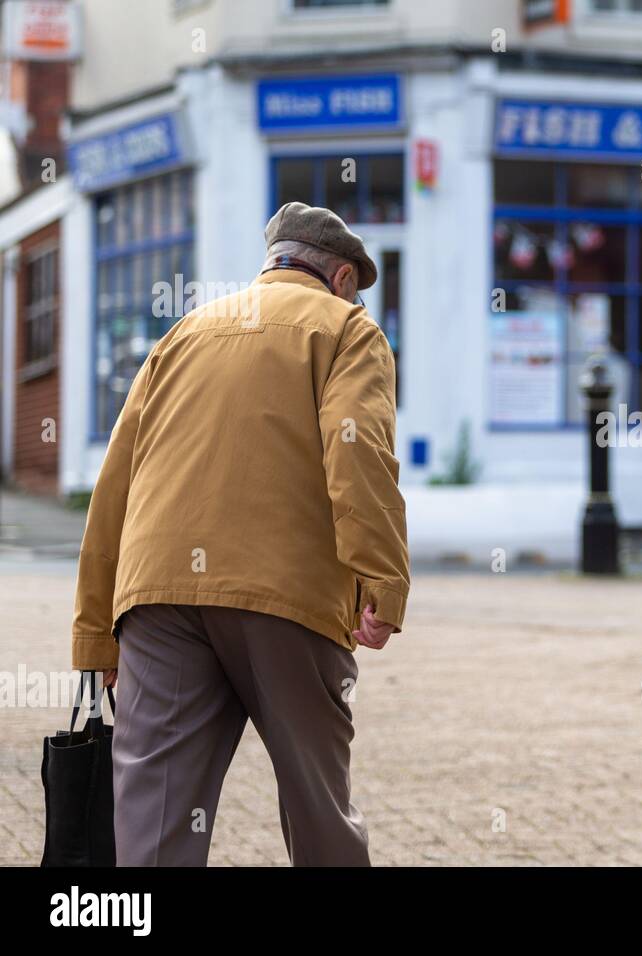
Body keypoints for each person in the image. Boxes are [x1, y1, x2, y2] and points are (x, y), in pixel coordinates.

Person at [71, 202, 410, 866]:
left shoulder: (184, 333)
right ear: (342, 277)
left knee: (157, 822)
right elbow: (358, 453)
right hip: (286, 595)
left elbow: (114, 488)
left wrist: (93, 634)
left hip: (157, 598)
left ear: (273, 264)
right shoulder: (348, 330)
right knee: (320, 810)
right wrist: (382, 581)